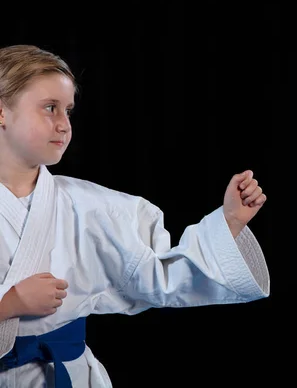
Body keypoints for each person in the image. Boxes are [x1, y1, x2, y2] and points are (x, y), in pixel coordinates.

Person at [0, 44, 270, 387]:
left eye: (68, 111)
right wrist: (7, 305)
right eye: (50, 108)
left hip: (66, 375)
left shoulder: (94, 207)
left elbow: (159, 275)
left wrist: (229, 223)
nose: (64, 125)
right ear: (2, 111)